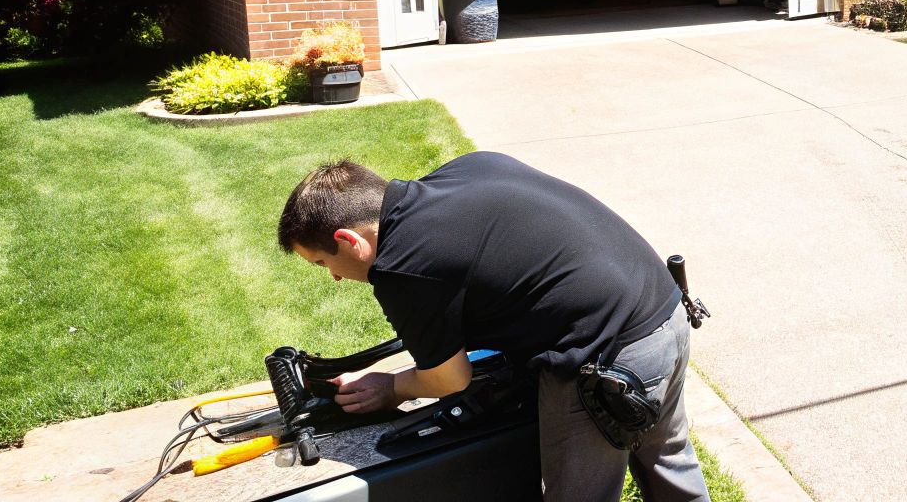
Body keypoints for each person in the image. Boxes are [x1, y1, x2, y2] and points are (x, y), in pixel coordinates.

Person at [278, 152, 709, 501]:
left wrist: (390, 388)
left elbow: (449, 378)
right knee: (669, 459)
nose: (333, 276)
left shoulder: (403, 267)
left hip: (607, 360)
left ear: (350, 241)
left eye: (323, 263)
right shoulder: (469, 167)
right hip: (664, 307)